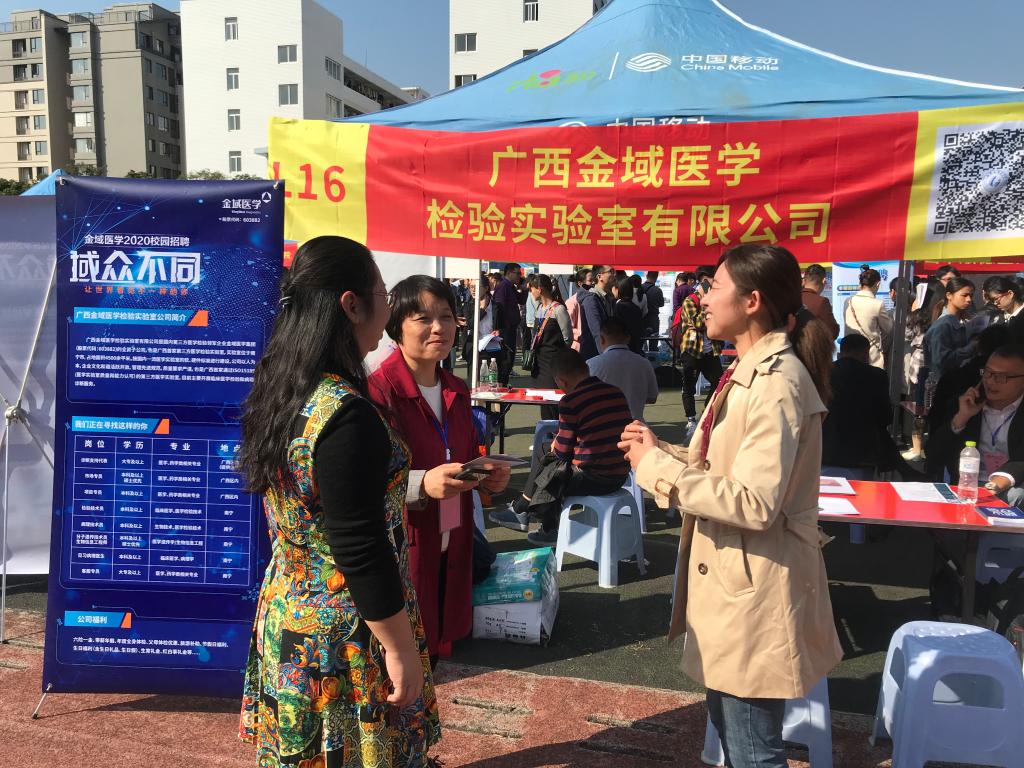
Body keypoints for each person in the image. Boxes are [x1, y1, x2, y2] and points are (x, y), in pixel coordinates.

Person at [618, 243, 842, 768]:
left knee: (752, 750)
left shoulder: (776, 382)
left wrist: (659, 469)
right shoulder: (750, 369)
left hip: (754, 585)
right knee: (736, 735)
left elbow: (755, 502)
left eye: (715, 287)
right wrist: (659, 451)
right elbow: (725, 468)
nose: (703, 298)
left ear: (751, 301)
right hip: (738, 580)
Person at [238, 236, 440, 766]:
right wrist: (399, 648)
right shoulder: (345, 413)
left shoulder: (284, 387)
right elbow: (359, 547)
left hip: (290, 612)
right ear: (352, 304)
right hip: (346, 632)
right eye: (383, 294)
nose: (388, 309)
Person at [369, 275, 511, 664]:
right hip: (405, 549)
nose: (439, 328)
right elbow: (363, 482)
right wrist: (420, 484)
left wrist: (486, 479)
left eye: (446, 316)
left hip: (454, 540)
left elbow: (462, 458)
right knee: (402, 663)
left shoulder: (456, 389)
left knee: (433, 657)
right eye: (423, 318)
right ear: (396, 326)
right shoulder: (378, 392)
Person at [490, 348, 633, 544]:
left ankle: (532, 516)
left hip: (594, 478)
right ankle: (525, 513)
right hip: (620, 475)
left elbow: (562, 453)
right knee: (549, 460)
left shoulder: (571, 401)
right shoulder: (615, 392)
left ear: (560, 381)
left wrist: (557, 443)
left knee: (551, 466)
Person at [929, 344, 1024, 505]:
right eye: (987, 373)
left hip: (1010, 485)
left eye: (1001, 377)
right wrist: (961, 417)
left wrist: (996, 484)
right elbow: (933, 456)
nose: (990, 381)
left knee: (1016, 495)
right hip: (966, 486)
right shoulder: (966, 403)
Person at [823, 334, 910, 478]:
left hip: (826, 449)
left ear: (841, 351)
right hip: (862, 452)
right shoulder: (877, 376)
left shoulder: (824, 373)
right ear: (865, 353)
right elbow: (885, 417)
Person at [678, 271, 723, 442]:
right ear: (703, 283)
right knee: (688, 386)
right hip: (692, 350)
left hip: (710, 350)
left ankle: (706, 413)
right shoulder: (690, 300)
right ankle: (691, 420)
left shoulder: (714, 301)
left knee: (719, 382)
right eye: (710, 284)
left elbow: (718, 321)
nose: (712, 288)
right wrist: (708, 313)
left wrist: (709, 318)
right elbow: (696, 322)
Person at [588, 316, 659, 420]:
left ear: (601, 339)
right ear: (628, 338)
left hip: (603, 425)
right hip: (635, 424)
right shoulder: (644, 363)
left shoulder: (591, 364)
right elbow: (652, 398)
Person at [526, 273, 572, 419]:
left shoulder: (559, 309)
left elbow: (568, 338)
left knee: (553, 401)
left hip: (553, 362)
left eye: (532, 289)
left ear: (539, 289)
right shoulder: (539, 308)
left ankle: (557, 430)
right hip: (539, 362)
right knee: (543, 401)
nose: (531, 292)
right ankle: (547, 430)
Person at [923, 276, 976, 386]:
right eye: (964, 295)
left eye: (971, 296)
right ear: (949, 295)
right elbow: (940, 360)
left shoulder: (961, 321)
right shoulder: (943, 325)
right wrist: (970, 348)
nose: (969, 299)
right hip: (943, 384)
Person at [843, 268, 892, 368]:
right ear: (878, 284)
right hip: (871, 358)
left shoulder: (848, 302)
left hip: (850, 357)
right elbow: (889, 329)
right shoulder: (877, 304)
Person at [492, 262, 525, 385]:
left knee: (509, 360)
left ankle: (503, 384)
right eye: (518, 273)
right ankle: (501, 385)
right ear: (509, 273)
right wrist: (502, 328)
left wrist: (522, 287)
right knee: (506, 360)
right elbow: (499, 308)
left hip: (510, 329)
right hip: (505, 330)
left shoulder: (511, 286)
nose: (519, 276)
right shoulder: (503, 287)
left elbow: (521, 300)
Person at [579, 264, 616, 360]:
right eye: (611, 271)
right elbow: (596, 331)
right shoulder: (591, 299)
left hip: (606, 352)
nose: (614, 275)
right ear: (600, 277)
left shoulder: (608, 298)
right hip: (594, 356)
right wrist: (606, 357)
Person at [801, 264, 840, 340]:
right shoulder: (822, 301)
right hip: (813, 345)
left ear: (804, 281)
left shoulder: (793, 298)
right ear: (824, 281)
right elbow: (833, 330)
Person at [612, 276, 645, 354]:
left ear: (617, 289)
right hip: (634, 348)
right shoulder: (635, 307)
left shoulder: (618, 306)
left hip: (621, 348)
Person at [564, 267, 593, 352]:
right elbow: (568, 328)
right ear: (580, 283)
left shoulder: (593, 299)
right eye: (590, 280)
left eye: (594, 280)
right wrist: (582, 334)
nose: (593, 283)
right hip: (578, 348)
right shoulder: (572, 302)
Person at [640, 270, 665, 336]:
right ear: (656, 277)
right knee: (654, 339)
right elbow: (661, 304)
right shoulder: (658, 290)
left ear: (647, 276)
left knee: (642, 338)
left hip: (642, 318)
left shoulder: (640, 288)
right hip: (654, 318)